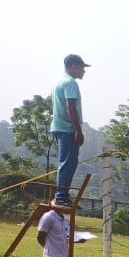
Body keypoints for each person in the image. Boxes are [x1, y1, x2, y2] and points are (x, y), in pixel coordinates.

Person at [50, 54, 89, 206]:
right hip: (67, 129)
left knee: (66, 162)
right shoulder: (70, 82)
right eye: (82, 68)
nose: (84, 71)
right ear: (73, 66)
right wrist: (78, 130)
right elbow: (70, 107)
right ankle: (61, 197)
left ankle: (62, 195)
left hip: (59, 127)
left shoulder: (58, 80)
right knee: (68, 162)